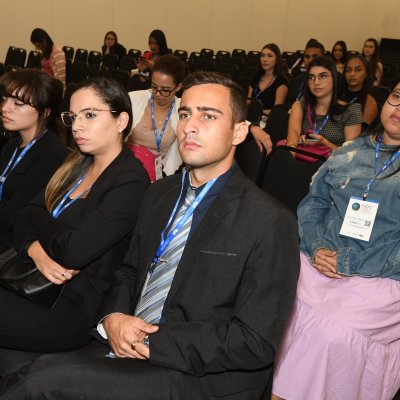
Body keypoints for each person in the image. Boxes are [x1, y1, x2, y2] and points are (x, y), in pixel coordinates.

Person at [0, 72, 300, 400]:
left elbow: (255, 342)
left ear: (239, 131)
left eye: (208, 116)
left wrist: (149, 341)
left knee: (38, 383)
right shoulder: (160, 193)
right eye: (185, 114)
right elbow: (129, 270)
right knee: (23, 369)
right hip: (123, 342)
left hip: (195, 374)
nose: (190, 126)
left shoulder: (269, 221)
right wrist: (113, 316)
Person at [0, 78, 149, 359]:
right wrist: (35, 250)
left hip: (71, 306)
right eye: (73, 117)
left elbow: (74, 251)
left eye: (90, 115)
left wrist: (37, 217)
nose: (77, 126)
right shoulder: (77, 163)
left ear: (121, 121)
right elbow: (21, 216)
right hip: (31, 278)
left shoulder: (130, 182)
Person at [272, 83, 400, 400]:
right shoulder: (349, 152)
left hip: (380, 278)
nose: (399, 107)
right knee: (275, 294)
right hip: (323, 259)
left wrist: (347, 262)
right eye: (397, 97)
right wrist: (317, 248)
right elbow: (313, 206)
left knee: (328, 331)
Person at [0, 69, 67, 252]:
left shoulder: (51, 154)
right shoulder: (12, 146)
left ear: (45, 112)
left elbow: (16, 214)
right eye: (5, 99)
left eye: (18, 103)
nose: (5, 107)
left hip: (14, 244)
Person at [285, 56, 362, 157]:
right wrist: (290, 157)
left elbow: (350, 155)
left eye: (323, 76)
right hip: (302, 162)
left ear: (334, 78)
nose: (316, 82)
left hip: (333, 168)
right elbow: (293, 136)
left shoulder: (351, 111)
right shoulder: (301, 104)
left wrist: (324, 143)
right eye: (311, 77)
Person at [126, 54, 185, 181]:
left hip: (155, 177)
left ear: (178, 87)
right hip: (124, 167)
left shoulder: (182, 110)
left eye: (165, 90)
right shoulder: (133, 99)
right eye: (154, 87)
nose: (157, 94)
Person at [341, 55, 381, 130]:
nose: (352, 74)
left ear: (366, 73)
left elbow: (360, 132)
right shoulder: (338, 94)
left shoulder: (370, 100)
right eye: (348, 70)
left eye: (358, 70)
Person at [286, 40, 325, 107]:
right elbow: (287, 104)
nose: (310, 60)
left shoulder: (328, 82)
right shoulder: (296, 80)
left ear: (323, 58)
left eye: (315, 56)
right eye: (307, 57)